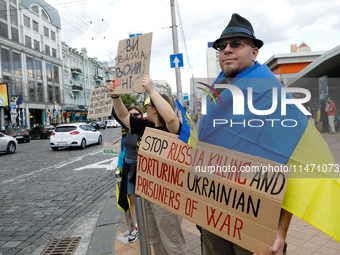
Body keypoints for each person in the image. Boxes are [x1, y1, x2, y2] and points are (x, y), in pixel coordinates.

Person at [198, 13, 293, 255]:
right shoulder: (214, 96)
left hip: (257, 216)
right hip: (213, 216)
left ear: (254, 52)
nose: (227, 49)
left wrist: (280, 231)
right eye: (222, 46)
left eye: (236, 44)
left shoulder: (273, 96)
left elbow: (295, 165)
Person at [106, 75, 187, 255]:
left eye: (147, 106)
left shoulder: (172, 129)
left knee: (172, 242)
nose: (145, 110)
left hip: (167, 194)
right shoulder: (145, 126)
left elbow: (172, 119)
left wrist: (151, 90)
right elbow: (123, 116)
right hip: (147, 191)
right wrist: (115, 96)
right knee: (156, 239)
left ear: (156, 109)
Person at [113, 105, 143, 243]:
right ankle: (138, 228)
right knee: (132, 199)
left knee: (145, 201)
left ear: (141, 115)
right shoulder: (127, 129)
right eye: (130, 115)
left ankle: (148, 228)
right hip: (129, 168)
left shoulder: (147, 128)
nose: (133, 117)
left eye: (136, 114)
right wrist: (113, 96)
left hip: (144, 169)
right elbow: (116, 113)